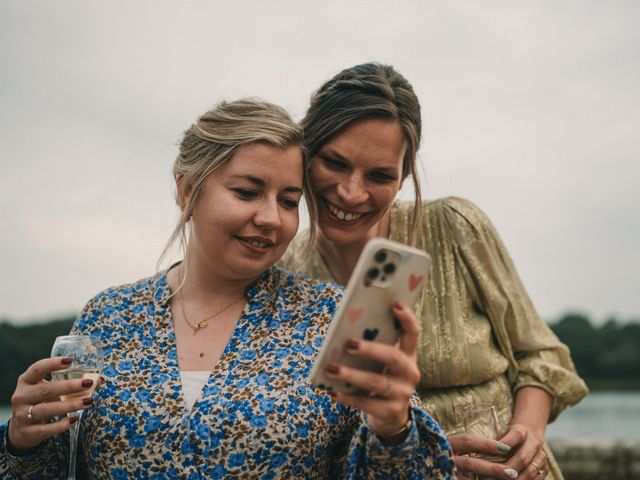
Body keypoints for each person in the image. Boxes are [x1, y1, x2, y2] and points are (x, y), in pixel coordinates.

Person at [0, 99, 455, 479]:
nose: (272, 218)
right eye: (246, 191)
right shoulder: (108, 315)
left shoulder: (328, 317)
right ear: (188, 190)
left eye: (289, 201)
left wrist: (394, 426)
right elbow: (53, 467)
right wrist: (22, 440)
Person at [280, 63, 589, 480]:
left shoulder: (455, 227)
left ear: (404, 177)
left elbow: (542, 354)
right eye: (335, 164)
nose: (352, 192)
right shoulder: (283, 269)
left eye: (380, 175)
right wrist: (425, 456)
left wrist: (527, 435)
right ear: (305, 154)